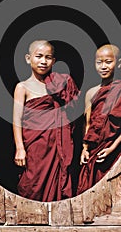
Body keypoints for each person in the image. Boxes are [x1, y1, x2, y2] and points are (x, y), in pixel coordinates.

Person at [13, 40, 80, 202]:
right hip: (35, 146)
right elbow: (17, 119)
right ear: (28, 59)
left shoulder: (60, 84)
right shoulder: (23, 87)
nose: (43, 61)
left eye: (48, 57)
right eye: (39, 56)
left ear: (54, 61)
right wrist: (20, 148)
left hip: (58, 147)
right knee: (32, 184)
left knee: (58, 184)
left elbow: (75, 110)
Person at [76, 44, 121, 195]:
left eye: (108, 62)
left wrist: (113, 148)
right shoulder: (91, 92)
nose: (103, 66)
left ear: (119, 63)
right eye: (99, 62)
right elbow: (88, 123)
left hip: (114, 149)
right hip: (93, 151)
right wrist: (84, 149)